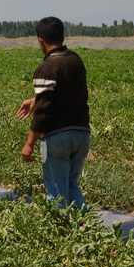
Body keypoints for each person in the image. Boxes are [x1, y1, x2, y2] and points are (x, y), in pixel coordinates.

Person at [17, 16, 91, 210]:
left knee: (56, 194)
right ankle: (85, 229)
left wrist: (29, 144)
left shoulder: (46, 67)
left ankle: (61, 236)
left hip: (59, 137)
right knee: (71, 185)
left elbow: (43, 113)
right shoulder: (75, 59)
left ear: (40, 40)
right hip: (82, 132)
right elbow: (69, 92)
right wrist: (36, 100)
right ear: (62, 36)